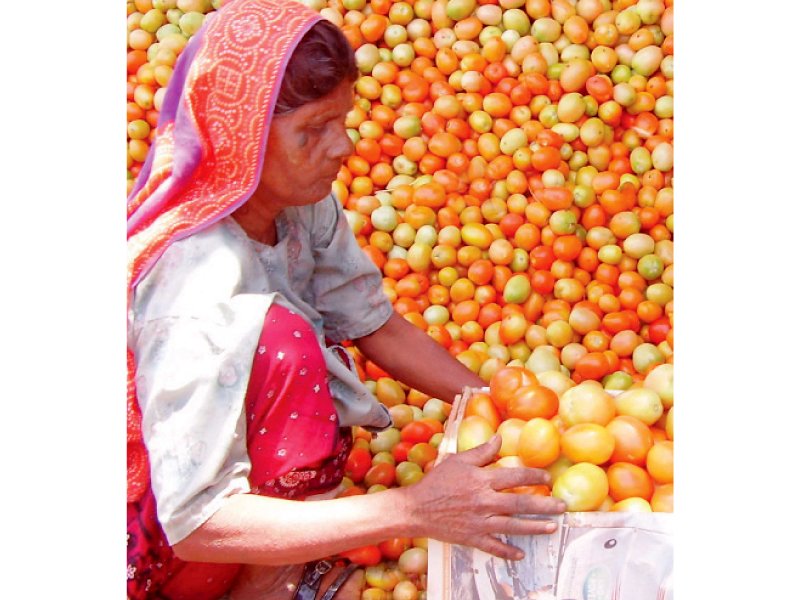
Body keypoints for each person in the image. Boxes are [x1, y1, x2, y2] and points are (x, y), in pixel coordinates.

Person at [126, 1, 566, 598]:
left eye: (342, 119)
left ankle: (284, 555)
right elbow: (197, 523)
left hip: (224, 488)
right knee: (284, 340)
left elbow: (375, 325)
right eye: (313, 131)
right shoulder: (195, 283)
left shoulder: (300, 200)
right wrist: (412, 509)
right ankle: (258, 586)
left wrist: (504, 411)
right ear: (242, 141)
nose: (343, 147)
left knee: (292, 340)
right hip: (160, 543)